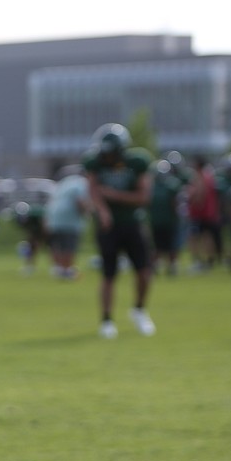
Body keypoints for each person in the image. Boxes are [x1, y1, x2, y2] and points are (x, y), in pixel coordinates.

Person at [82, 123, 155, 339]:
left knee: (143, 271)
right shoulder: (94, 163)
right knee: (108, 274)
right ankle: (106, 319)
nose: (107, 157)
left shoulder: (137, 162)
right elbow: (93, 190)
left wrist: (114, 195)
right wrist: (103, 211)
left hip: (132, 223)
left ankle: (139, 309)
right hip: (108, 227)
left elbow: (143, 198)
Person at [44, 165, 91, 279]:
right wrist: (88, 213)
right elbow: (80, 201)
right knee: (69, 245)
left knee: (57, 245)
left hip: (53, 216)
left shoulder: (64, 182)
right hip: (69, 218)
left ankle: (58, 269)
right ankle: (67, 270)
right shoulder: (82, 183)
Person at [147, 153, 188, 276]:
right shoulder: (153, 186)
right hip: (161, 220)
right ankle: (159, 266)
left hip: (167, 220)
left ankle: (170, 266)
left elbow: (176, 202)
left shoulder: (171, 184)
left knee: (170, 246)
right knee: (160, 246)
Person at [186, 154, 221, 271]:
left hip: (201, 214)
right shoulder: (209, 176)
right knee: (207, 237)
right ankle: (209, 261)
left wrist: (195, 204)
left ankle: (199, 262)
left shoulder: (200, 177)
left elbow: (200, 194)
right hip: (209, 213)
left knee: (196, 238)